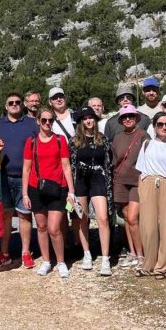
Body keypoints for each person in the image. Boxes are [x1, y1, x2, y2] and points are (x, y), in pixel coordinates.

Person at [22, 109, 75, 278]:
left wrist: (71, 192)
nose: (47, 124)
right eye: (44, 120)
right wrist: (24, 193)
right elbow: (26, 168)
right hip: (36, 188)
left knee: (54, 228)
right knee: (42, 227)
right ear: (38, 121)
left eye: (50, 121)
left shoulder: (60, 140)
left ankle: (60, 261)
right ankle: (46, 260)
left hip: (58, 188)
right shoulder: (31, 142)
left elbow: (66, 166)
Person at [0, 93, 38, 269]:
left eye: (17, 102)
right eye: (11, 103)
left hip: (26, 178)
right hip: (3, 177)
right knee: (5, 216)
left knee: (25, 215)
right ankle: (4, 253)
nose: (14, 105)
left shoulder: (32, 124)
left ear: (22, 105)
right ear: (5, 106)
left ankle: (25, 253)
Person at [134, 111, 166, 278]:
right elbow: (140, 171)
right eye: (160, 124)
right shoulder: (147, 144)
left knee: (165, 226)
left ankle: (162, 267)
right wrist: (141, 190)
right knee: (147, 227)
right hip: (148, 183)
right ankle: (148, 264)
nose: (164, 127)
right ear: (154, 126)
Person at [69, 106, 113, 276]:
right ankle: (86, 253)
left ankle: (105, 258)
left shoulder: (103, 139)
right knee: (82, 218)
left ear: (95, 120)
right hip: (80, 179)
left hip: (98, 178)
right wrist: (70, 191)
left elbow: (108, 163)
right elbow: (70, 165)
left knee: (102, 217)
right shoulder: (74, 141)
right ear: (80, 121)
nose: (88, 121)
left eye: (91, 117)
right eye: (85, 118)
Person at [111, 105, 148, 269]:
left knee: (133, 218)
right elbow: (114, 160)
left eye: (131, 116)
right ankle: (132, 252)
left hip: (137, 181)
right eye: (125, 117)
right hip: (120, 180)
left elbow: (150, 157)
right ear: (120, 120)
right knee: (126, 218)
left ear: (136, 118)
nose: (128, 119)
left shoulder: (143, 136)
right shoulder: (117, 137)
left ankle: (141, 254)